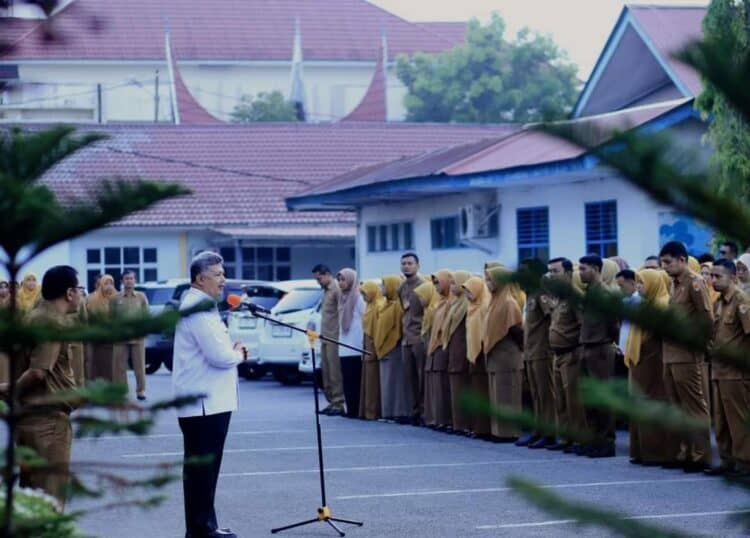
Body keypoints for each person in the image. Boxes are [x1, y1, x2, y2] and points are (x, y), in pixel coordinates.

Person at [173, 251, 247, 538]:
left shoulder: (200, 304)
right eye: (218, 275)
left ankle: (206, 525)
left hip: (207, 402)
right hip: (205, 404)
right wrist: (238, 354)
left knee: (204, 471)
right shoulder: (199, 308)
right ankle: (201, 529)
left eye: (223, 273)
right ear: (200, 278)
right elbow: (219, 356)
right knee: (202, 471)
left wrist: (230, 352)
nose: (223, 280)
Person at [14, 265, 82, 509]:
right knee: (50, 500)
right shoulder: (51, 322)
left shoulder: (34, 314)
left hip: (29, 420)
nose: (81, 295)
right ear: (69, 293)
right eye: (79, 289)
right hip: (48, 423)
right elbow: (38, 372)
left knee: (31, 500)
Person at [659, 241, 713, 472]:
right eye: (663, 264)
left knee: (694, 407)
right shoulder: (674, 284)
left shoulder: (695, 283)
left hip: (687, 355)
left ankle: (701, 455)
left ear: (682, 260)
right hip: (670, 353)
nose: (665, 268)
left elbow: (707, 319)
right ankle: (685, 452)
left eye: (669, 263)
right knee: (677, 406)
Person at [625, 269, 676, 466]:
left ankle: (655, 453)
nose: (638, 287)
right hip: (641, 361)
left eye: (642, 283)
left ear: (654, 284)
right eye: (637, 283)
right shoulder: (645, 305)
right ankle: (640, 450)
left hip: (653, 361)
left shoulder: (661, 305)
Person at [705, 259, 750, 476]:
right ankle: (727, 460)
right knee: (721, 419)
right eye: (711, 276)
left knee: (738, 419)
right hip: (718, 369)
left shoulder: (742, 300)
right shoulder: (719, 302)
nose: (712, 280)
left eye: (717, 276)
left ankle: (745, 462)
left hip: (736, 372)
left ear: (733, 278)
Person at [578, 255, 619, 458]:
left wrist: (607, 342)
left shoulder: (604, 293)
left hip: (601, 348)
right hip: (587, 347)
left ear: (595, 268)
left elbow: (614, 324)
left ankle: (606, 442)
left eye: (583, 269)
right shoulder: (590, 292)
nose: (580, 272)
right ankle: (594, 440)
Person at [546, 257, 585, 453]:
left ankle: (577, 439)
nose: (551, 275)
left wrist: (579, 351)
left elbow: (582, 325)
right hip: (557, 354)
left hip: (571, 353)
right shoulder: (558, 296)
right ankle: (566, 437)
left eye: (555, 271)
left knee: (573, 400)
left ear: (568, 274)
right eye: (550, 272)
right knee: (560, 399)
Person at [483, 264, 524, 442]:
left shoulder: (508, 302)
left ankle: (509, 432)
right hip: (495, 356)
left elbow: (517, 330)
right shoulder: (493, 301)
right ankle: (498, 431)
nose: (487, 284)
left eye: (490, 280)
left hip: (507, 356)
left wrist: (520, 351)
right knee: (497, 396)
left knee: (507, 396)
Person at [521, 262, 556, 449]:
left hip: (542, 350)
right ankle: (538, 430)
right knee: (535, 394)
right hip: (531, 351)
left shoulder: (542, 293)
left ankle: (549, 432)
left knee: (545, 394)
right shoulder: (530, 294)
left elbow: (552, 318)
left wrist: (550, 345)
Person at [376, 275, 412, 422]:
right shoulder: (386, 305)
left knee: (396, 383)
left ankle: (399, 412)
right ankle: (388, 412)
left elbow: (398, 328)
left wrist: (392, 342)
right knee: (387, 383)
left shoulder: (397, 306)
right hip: (384, 349)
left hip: (394, 348)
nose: (382, 289)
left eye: (384, 285)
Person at [312, 264, 345, 416]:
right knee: (325, 372)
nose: (318, 282)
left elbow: (342, 312)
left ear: (326, 275)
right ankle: (331, 401)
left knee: (334, 372)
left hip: (334, 337)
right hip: (324, 336)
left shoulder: (336, 289)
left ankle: (338, 403)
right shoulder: (325, 291)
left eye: (319, 278)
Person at [111, 270, 149, 400]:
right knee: (119, 367)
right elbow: (111, 318)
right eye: (126, 278)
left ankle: (141, 391)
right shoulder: (116, 298)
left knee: (139, 366)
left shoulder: (141, 297)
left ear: (135, 280)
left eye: (131, 278)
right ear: (122, 281)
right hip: (120, 337)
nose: (129, 281)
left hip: (137, 337)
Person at [398, 252, 426, 425]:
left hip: (419, 337)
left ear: (417, 266)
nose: (406, 266)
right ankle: (414, 411)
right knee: (410, 377)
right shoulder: (401, 287)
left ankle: (424, 411)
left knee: (422, 376)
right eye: (403, 263)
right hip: (406, 338)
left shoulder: (424, 286)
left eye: (409, 263)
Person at [462, 276, 492, 440]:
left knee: (483, 393)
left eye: (470, 290)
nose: (467, 294)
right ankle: (478, 427)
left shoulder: (484, 306)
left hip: (482, 354)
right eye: (465, 291)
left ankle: (484, 428)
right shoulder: (471, 307)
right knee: (477, 392)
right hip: (473, 354)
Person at [424, 269, 453, 430]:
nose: (436, 286)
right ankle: (438, 418)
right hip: (435, 347)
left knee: (443, 386)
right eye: (434, 283)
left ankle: (445, 419)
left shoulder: (451, 303)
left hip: (443, 347)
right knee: (437, 386)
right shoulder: (440, 302)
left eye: (438, 283)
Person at [445, 270, 472, 435]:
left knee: (463, 386)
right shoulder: (455, 302)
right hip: (454, 349)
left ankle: (465, 424)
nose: (452, 286)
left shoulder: (467, 303)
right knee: (456, 387)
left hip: (462, 350)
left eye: (455, 283)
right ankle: (458, 423)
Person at [336, 268, 365, 419]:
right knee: (347, 379)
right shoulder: (342, 298)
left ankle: (357, 409)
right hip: (344, 345)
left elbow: (365, 318)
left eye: (344, 279)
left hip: (356, 345)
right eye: (339, 280)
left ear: (351, 280)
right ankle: (350, 409)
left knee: (356, 380)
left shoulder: (358, 297)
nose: (341, 283)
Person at [358, 280, 383, 420]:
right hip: (366, 344)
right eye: (362, 293)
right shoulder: (369, 306)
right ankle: (366, 411)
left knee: (373, 380)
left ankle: (373, 411)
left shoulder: (378, 307)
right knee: (368, 379)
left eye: (365, 293)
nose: (363, 296)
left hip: (373, 345)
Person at [86, 274, 117, 382]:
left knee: (111, 366)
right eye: (105, 283)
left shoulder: (117, 298)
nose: (108, 286)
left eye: (111, 283)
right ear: (100, 285)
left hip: (112, 338)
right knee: (96, 365)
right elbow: (88, 317)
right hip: (96, 337)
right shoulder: (92, 299)